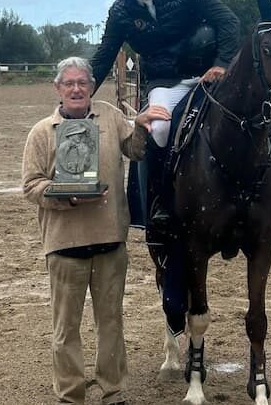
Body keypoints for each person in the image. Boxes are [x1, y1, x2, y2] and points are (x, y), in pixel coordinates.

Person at [89, 0, 271, 230]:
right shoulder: (120, 12)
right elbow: (105, 54)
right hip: (166, 83)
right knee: (158, 129)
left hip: (211, 73)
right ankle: (160, 202)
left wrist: (221, 63)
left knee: (255, 116)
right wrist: (82, 94)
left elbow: (227, 20)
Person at [22, 56, 169, 405]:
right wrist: (65, 197)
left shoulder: (111, 116)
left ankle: (113, 391)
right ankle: (71, 395)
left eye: (83, 83)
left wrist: (142, 126)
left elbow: (133, 151)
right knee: (65, 329)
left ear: (91, 87)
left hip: (109, 243)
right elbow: (30, 186)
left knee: (111, 324)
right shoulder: (42, 132)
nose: (76, 89)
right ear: (58, 88)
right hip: (64, 246)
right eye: (69, 83)